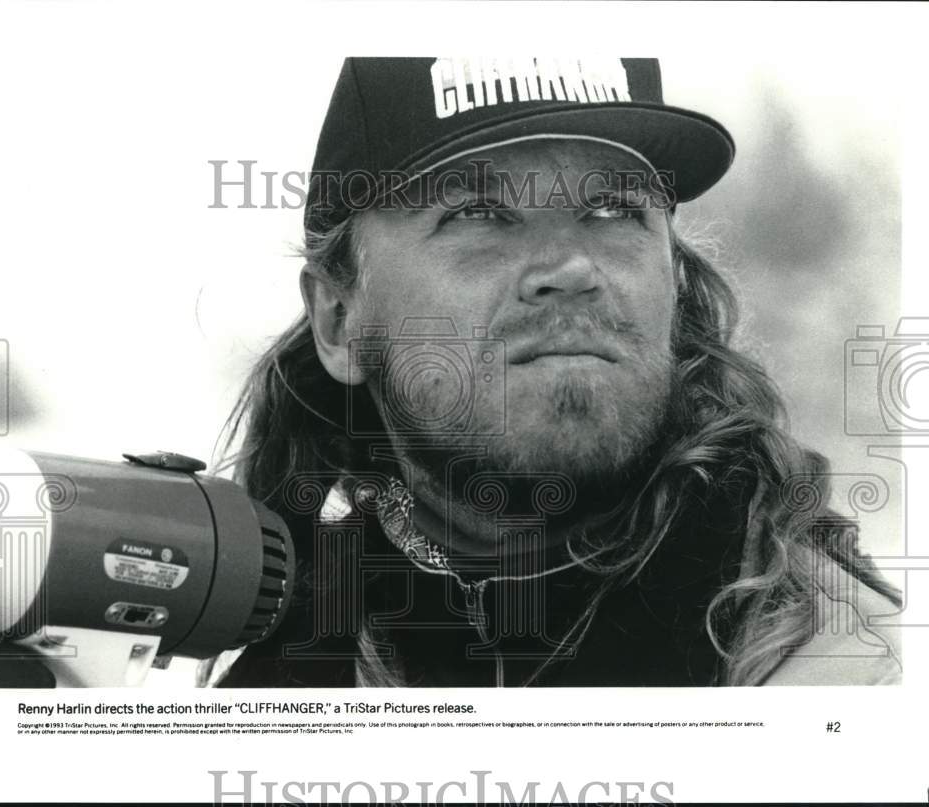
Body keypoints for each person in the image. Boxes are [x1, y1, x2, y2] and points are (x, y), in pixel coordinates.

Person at [210, 57, 902, 687]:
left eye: (613, 209)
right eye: (478, 212)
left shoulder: (853, 672)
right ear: (338, 318)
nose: (571, 268)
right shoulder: (275, 690)